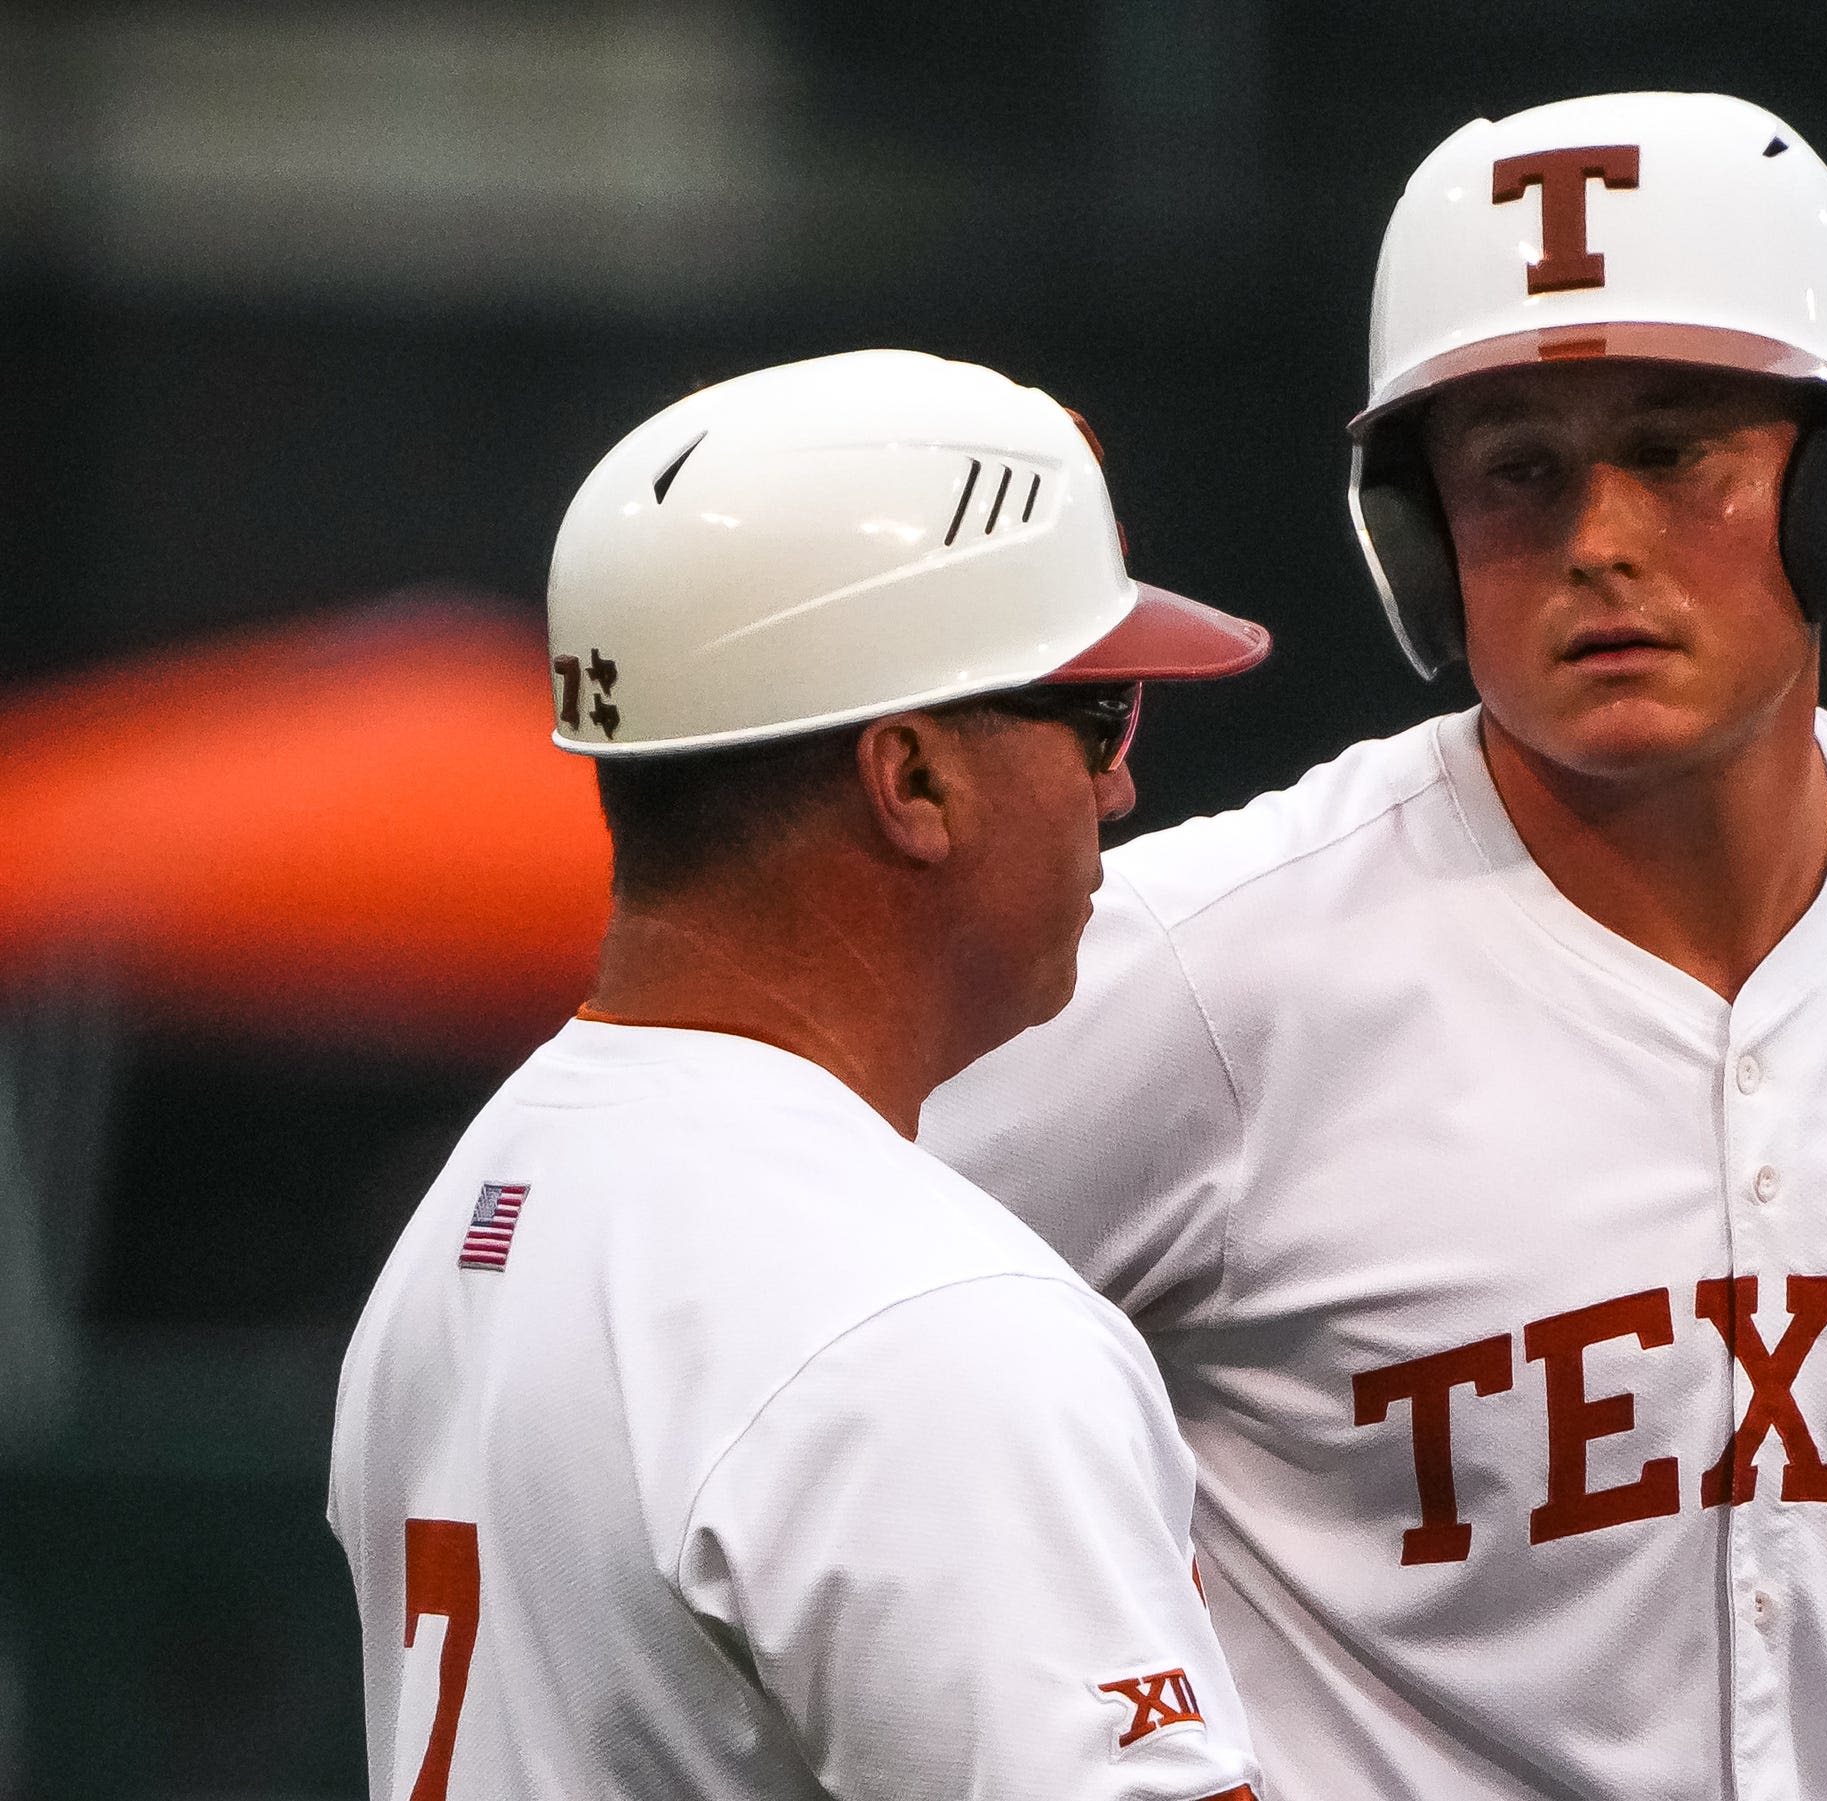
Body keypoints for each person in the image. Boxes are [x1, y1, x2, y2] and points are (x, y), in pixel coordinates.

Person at [928, 92, 1827, 1801]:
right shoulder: (1211, 969)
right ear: (1422, 539)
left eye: (1676, 451)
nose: (1596, 538)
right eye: (1516, 470)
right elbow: (795, 1375)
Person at [330, 350, 1275, 1801]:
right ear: (914, 781)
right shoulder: (925, 1318)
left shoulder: (485, 1194)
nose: (1120, 783)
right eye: (1098, 711)